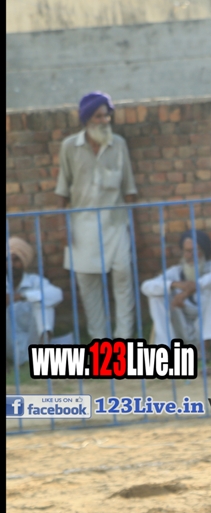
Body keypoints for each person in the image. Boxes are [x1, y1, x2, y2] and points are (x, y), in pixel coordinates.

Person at [55, 91, 138, 341]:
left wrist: (133, 228)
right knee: (89, 287)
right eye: (99, 116)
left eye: (107, 116)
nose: (104, 121)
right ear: (87, 119)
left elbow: (129, 190)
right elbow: (62, 191)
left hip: (116, 223)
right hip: (82, 226)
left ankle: (123, 341)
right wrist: (62, 227)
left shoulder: (118, 144)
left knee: (123, 279)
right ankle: (99, 342)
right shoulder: (70, 146)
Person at [140, 230, 211, 361]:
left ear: (204, 251)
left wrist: (189, 289)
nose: (191, 255)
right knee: (156, 294)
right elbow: (146, 286)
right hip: (183, 328)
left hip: (210, 329)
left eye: (195, 250)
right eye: (187, 251)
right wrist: (174, 284)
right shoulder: (176, 271)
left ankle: (204, 348)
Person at [6, 237, 65, 366]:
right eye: (7, 260)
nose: (11, 265)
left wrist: (20, 296)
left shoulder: (35, 281)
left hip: (33, 341)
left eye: (16, 260)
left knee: (44, 302)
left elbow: (57, 294)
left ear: (24, 262)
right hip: (9, 344)